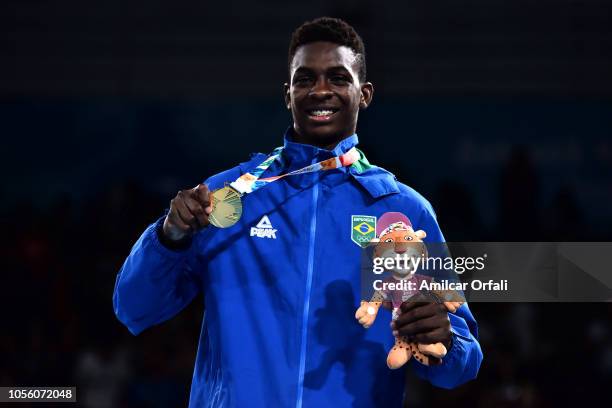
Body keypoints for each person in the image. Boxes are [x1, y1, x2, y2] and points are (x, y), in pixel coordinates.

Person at [113, 17, 482, 407]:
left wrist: (444, 339)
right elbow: (133, 308)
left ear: (365, 94)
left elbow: (461, 365)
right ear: (287, 94)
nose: (320, 90)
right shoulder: (227, 197)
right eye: (305, 79)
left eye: (338, 78)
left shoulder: (403, 212)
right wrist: (169, 236)